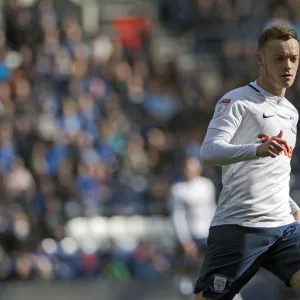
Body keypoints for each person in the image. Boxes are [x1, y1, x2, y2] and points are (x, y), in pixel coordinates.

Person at [195, 24, 300, 300]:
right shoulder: (237, 101)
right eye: (279, 58)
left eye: (293, 58)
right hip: (240, 226)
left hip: (284, 226)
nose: (287, 65)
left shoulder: (291, 112)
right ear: (260, 59)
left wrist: (290, 205)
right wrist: (256, 149)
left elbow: (276, 169)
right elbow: (209, 152)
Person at [169, 156, 216, 260]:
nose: (190, 170)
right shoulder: (177, 189)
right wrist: (185, 240)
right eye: (187, 167)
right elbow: (178, 217)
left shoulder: (207, 185)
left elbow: (212, 209)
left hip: (208, 234)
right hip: (192, 236)